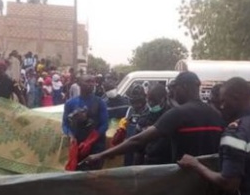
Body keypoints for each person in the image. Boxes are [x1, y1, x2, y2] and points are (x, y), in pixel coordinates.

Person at [81, 71, 224, 167]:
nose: (173, 93)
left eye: (176, 89)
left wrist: (101, 155)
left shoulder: (178, 114)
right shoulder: (217, 115)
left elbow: (138, 141)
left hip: (184, 184)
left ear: (184, 87)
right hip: (208, 185)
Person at [62, 75, 109, 171]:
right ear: (79, 83)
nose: (91, 84)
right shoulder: (70, 103)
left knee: (94, 177)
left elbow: (104, 124)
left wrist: (90, 140)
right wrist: (71, 136)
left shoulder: (100, 102)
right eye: (88, 81)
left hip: (96, 146)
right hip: (78, 146)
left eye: (93, 81)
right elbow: (65, 124)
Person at [134, 84, 172, 165]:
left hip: (168, 163)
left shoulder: (172, 117)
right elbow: (138, 147)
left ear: (163, 99)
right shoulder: (144, 119)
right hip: (148, 163)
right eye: (149, 100)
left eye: (154, 101)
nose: (151, 104)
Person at [121, 85, 148, 166]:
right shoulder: (130, 110)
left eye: (138, 102)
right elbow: (126, 125)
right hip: (129, 145)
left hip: (142, 148)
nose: (137, 105)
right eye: (134, 103)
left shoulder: (148, 110)